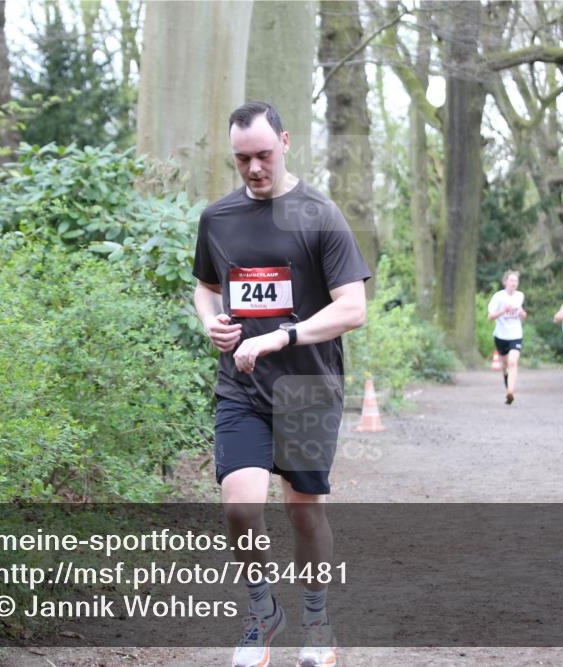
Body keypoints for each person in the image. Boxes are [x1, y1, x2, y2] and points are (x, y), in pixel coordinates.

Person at [192, 101, 371, 667]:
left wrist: (281, 337)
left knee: (304, 513)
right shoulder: (218, 218)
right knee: (240, 509)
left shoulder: (319, 215)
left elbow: (353, 308)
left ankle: (316, 620)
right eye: (242, 158)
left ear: (286, 142)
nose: (253, 168)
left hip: (307, 389)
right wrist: (210, 321)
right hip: (241, 389)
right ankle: (263, 612)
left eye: (263, 155)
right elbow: (205, 287)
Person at [487, 270, 527, 405]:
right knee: (505, 365)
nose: (514, 283)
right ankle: (506, 380)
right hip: (501, 336)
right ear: (505, 282)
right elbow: (490, 317)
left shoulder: (520, 296)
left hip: (516, 335)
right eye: (511, 280)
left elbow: (524, 315)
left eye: (516, 281)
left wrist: (521, 313)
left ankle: (510, 392)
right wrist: (503, 310)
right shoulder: (498, 297)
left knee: (513, 362)